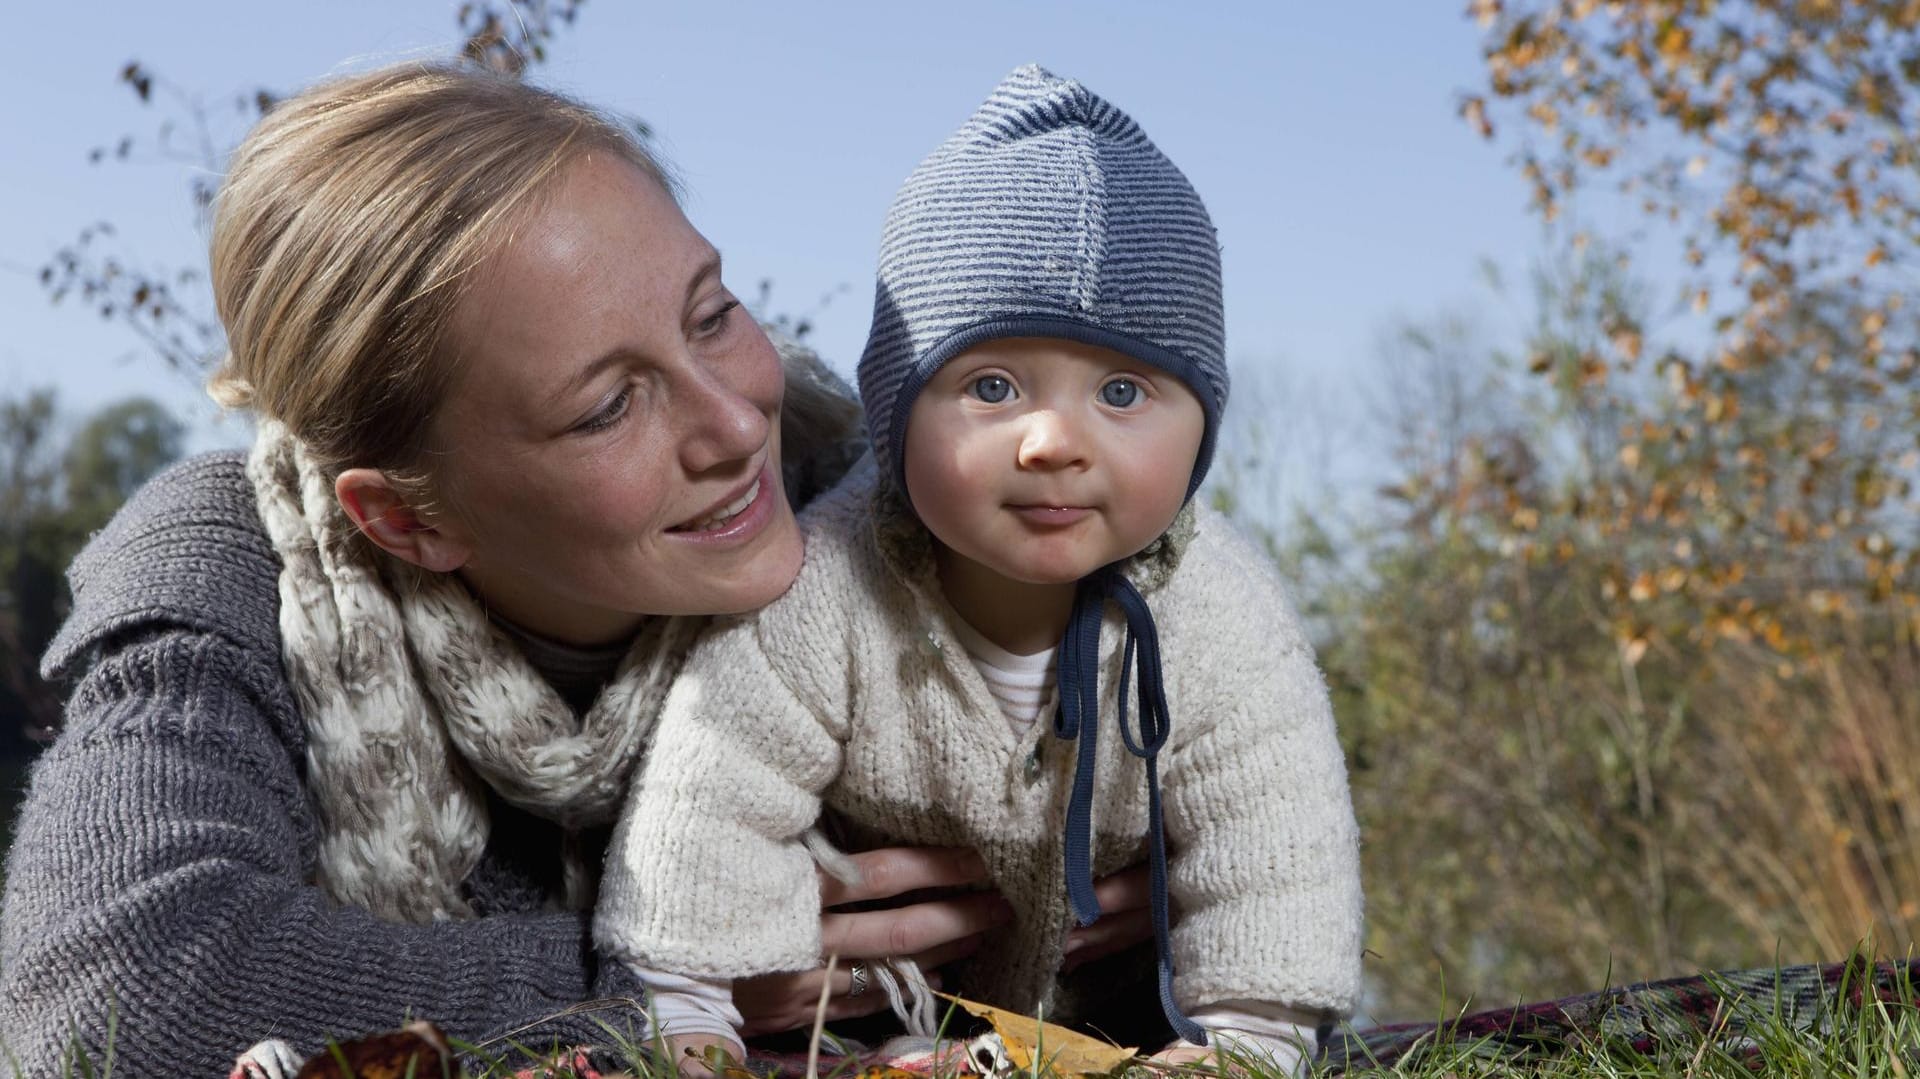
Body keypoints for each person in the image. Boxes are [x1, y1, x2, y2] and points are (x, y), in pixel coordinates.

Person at [0, 61, 1157, 1077]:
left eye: (711, 314)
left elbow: (1139, 957)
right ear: (404, 520)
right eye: (608, 406)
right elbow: (116, 991)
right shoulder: (233, 561)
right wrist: (671, 976)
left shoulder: (908, 515)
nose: (735, 424)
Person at [595, 65, 1365, 1077]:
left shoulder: (1220, 613)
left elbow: (1276, 838)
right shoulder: (823, 588)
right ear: (896, 410)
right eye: (991, 385)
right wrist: (690, 1008)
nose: (1053, 439)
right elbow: (712, 797)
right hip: (869, 1013)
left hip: (1123, 1017)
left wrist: (1248, 1036)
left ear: (1203, 426)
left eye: (1125, 390)